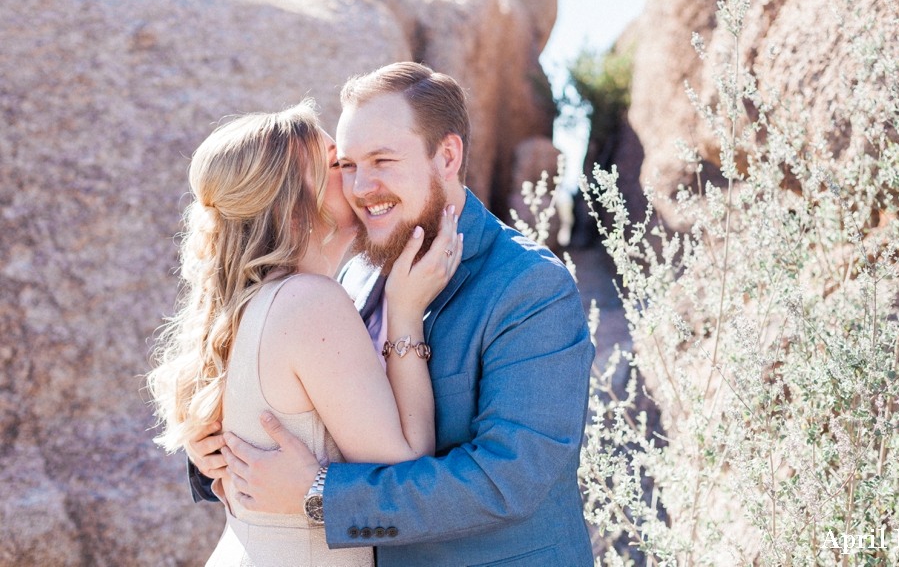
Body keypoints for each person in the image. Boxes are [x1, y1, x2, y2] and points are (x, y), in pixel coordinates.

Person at [191, 63, 596, 566]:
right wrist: (220, 451)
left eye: (382, 160)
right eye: (347, 166)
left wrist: (319, 494)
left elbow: (505, 484)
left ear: (447, 156)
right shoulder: (351, 274)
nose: (361, 187)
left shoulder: (529, 288)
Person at [147, 98, 463, 566]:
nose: (359, 180)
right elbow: (406, 467)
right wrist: (405, 311)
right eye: (339, 165)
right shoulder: (310, 302)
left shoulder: (248, 304)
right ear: (293, 206)